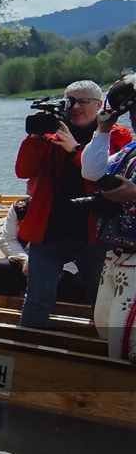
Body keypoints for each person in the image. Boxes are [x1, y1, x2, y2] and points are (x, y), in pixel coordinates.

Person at [15, 80, 133, 328]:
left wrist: (74, 149)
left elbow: (109, 180)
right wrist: (36, 136)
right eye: (70, 102)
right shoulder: (50, 137)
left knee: (103, 300)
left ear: (99, 105)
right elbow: (23, 171)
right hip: (49, 233)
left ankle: (106, 355)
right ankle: (27, 353)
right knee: (37, 299)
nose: (75, 108)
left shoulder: (117, 136)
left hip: (96, 235)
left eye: (82, 101)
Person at [80, 74, 136, 359]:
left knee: (128, 341)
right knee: (109, 328)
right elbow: (91, 170)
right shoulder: (130, 151)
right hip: (117, 256)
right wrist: (103, 129)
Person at [0, 197, 86, 302]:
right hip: (32, 268)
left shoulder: (78, 206)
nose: (29, 183)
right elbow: (8, 240)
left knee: (89, 285)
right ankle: (13, 308)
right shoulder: (21, 207)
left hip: (69, 270)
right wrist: (24, 260)